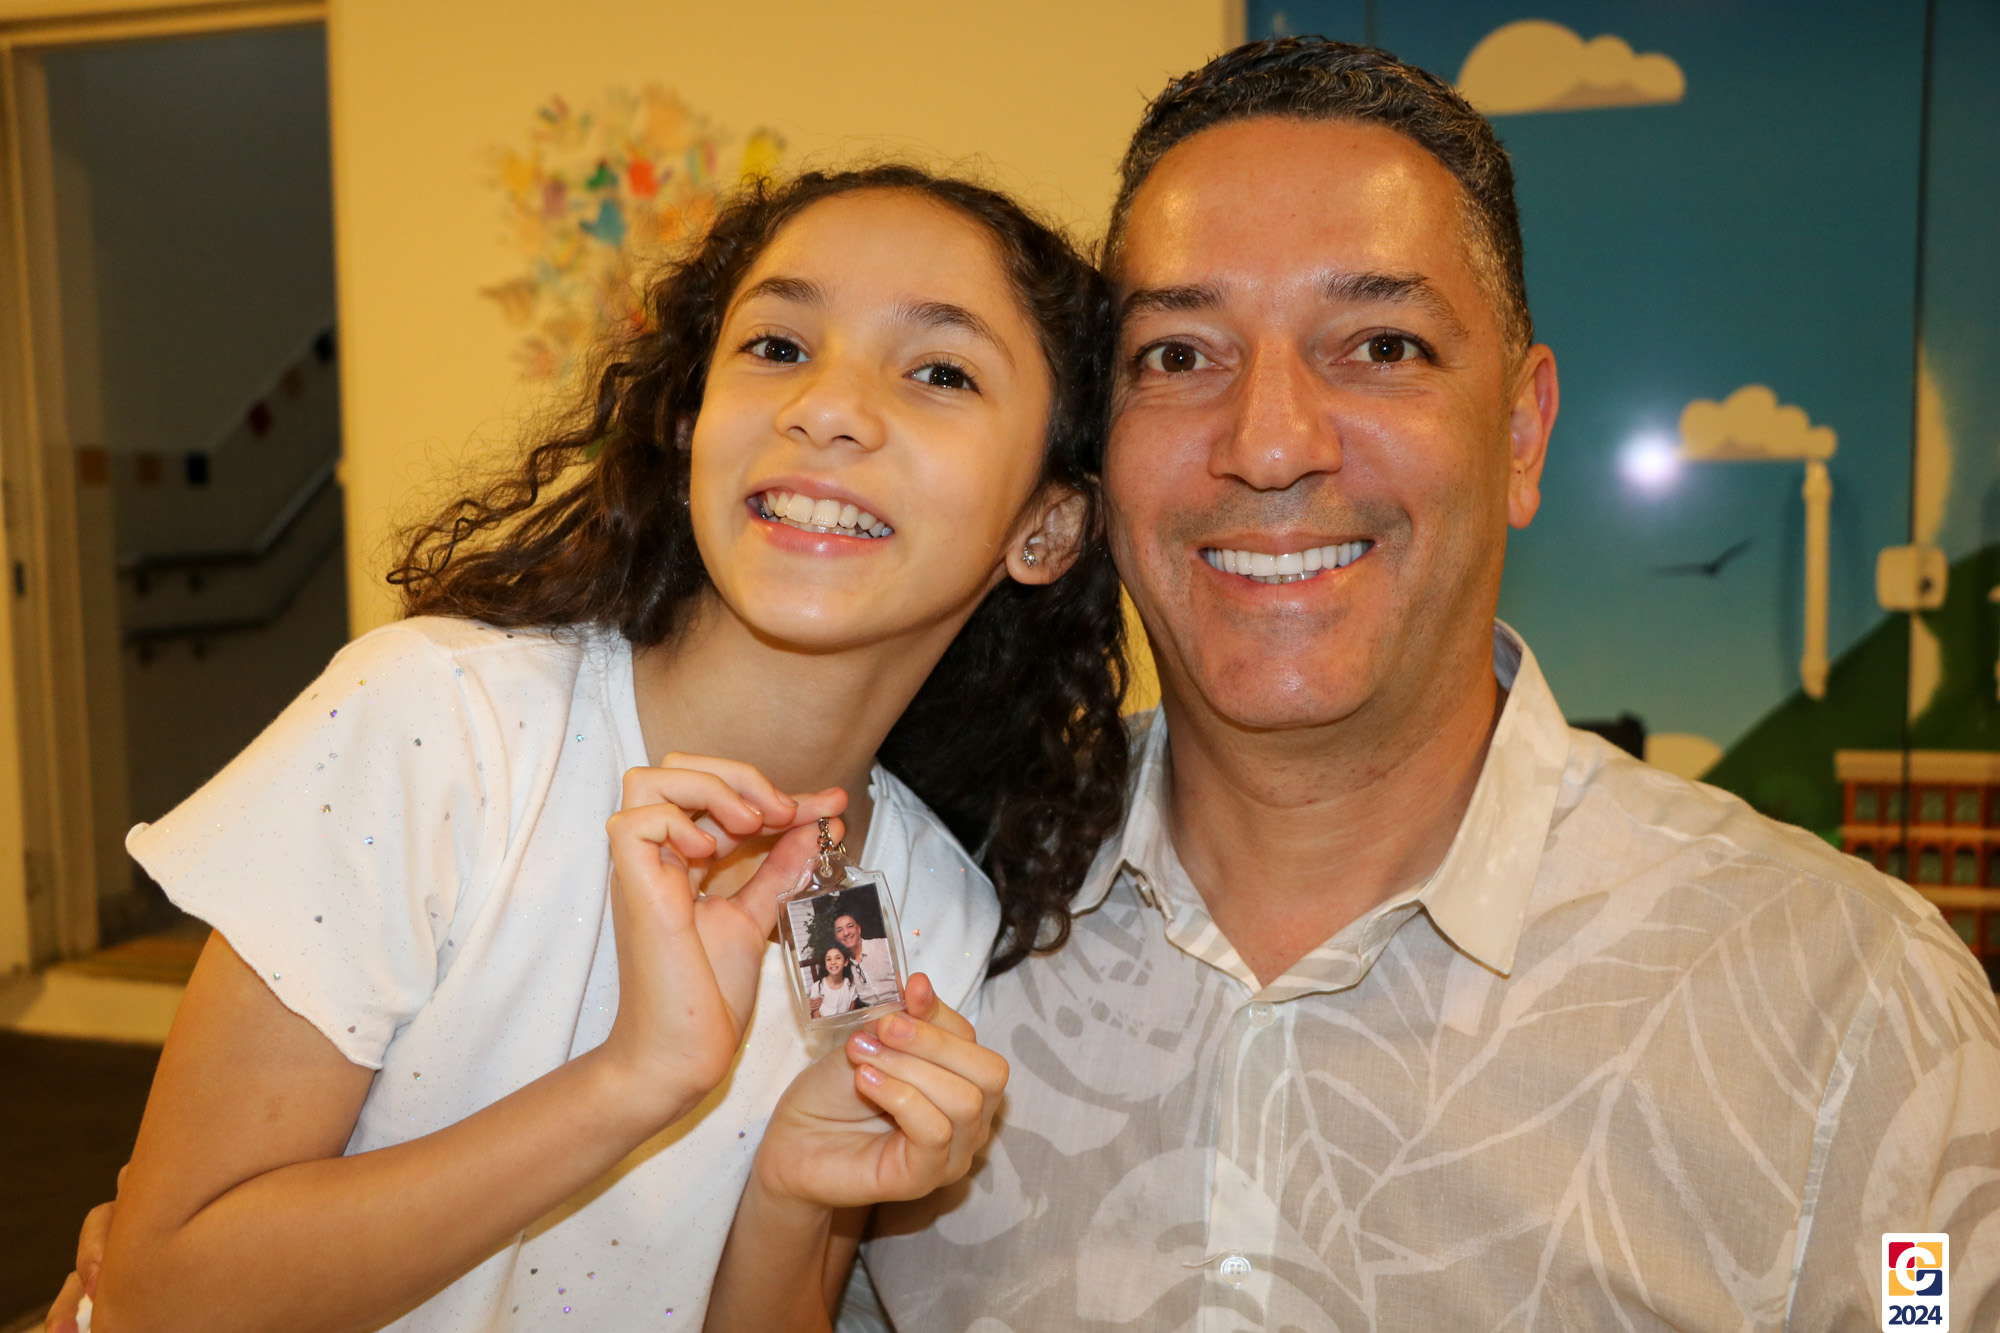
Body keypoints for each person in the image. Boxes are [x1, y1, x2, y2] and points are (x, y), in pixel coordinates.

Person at [747, 39, 2000, 1329]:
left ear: (1520, 431)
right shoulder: (915, 919)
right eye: (1178, 355)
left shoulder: (1852, 1011)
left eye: (1379, 344)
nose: (1269, 443)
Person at [49, 163, 1133, 1332]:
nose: (827, 407)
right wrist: (631, 1080)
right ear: (690, 425)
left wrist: (789, 1194)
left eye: (939, 371)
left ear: (1045, 527)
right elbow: (163, 1297)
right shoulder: (438, 730)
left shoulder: (927, 913)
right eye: (776, 346)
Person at [832, 910, 900, 1007]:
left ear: (858, 929)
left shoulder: (883, 946)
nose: (846, 933)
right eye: (840, 930)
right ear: (837, 938)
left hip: (900, 1005)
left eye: (850, 926)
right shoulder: (843, 966)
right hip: (873, 1013)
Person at [806, 944, 859, 1020]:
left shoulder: (851, 986)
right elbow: (817, 1019)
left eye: (838, 958)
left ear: (845, 962)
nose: (833, 962)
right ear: (825, 964)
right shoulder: (817, 987)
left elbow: (851, 1016)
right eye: (829, 959)